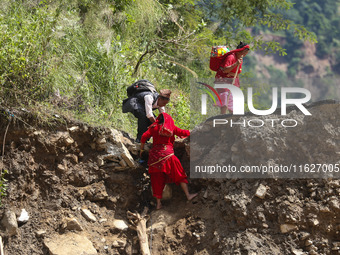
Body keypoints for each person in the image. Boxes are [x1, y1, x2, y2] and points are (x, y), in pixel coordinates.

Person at [140, 113, 197, 209]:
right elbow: (184, 133)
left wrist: (141, 149)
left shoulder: (154, 127)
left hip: (154, 157)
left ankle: (158, 204)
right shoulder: (171, 127)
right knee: (179, 173)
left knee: (156, 180)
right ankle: (188, 195)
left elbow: (143, 137)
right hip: (168, 156)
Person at [215, 41, 250, 114]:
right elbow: (225, 70)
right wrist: (235, 64)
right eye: (244, 52)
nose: (245, 54)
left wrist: (232, 74)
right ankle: (223, 118)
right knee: (225, 101)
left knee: (233, 100)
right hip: (223, 81)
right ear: (239, 51)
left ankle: (231, 119)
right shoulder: (231, 57)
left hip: (232, 81)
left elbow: (237, 72)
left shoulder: (240, 58)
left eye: (246, 53)